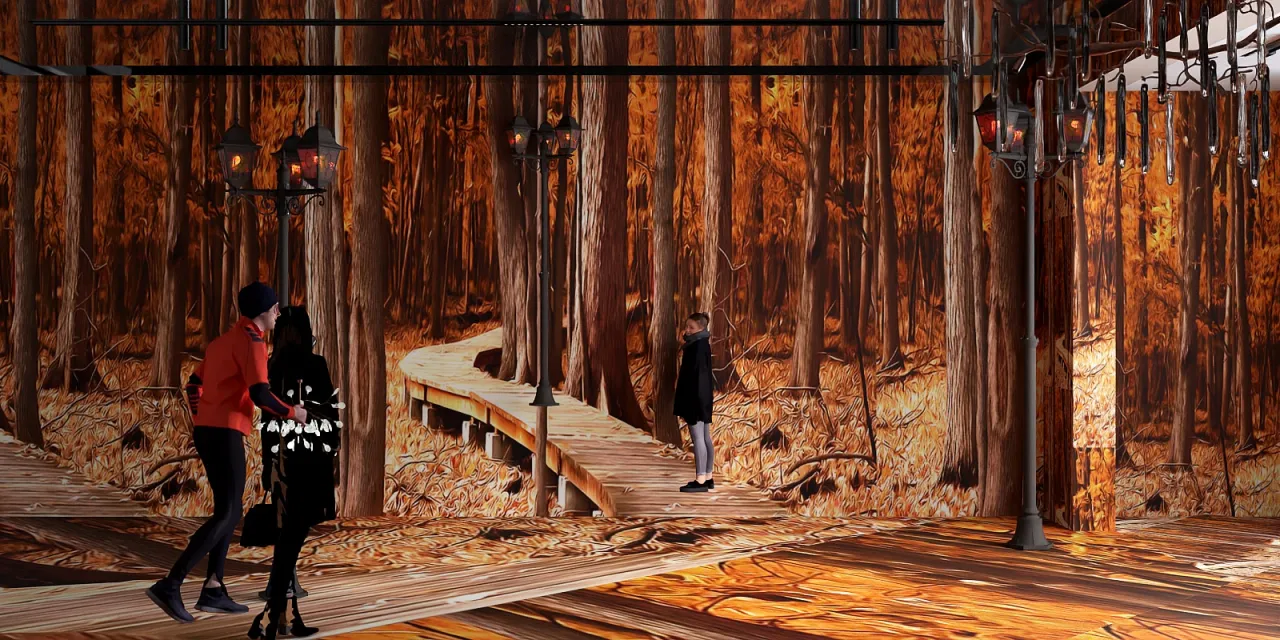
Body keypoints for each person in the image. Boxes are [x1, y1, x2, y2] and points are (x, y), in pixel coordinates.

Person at [146, 283, 307, 624]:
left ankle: (213, 589)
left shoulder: (221, 342)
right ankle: (171, 584)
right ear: (263, 311)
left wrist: (200, 417)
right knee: (228, 512)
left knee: (228, 511)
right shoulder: (253, 344)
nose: (278, 312)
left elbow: (193, 384)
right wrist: (295, 413)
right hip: (226, 433)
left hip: (208, 432)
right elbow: (261, 395)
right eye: (275, 307)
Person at [248, 306, 340, 640]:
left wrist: (266, 465)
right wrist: (332, 454)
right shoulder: (317, 365)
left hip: (282, 463)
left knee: (287, 541)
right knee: (291, 542)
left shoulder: (271, 366)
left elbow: (267, 424)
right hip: (311, 463)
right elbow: (330, 418)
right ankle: (275, 617)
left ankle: (281, 616)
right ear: (305, 331)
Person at [674, 312, 715, 493]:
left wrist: (693, 401)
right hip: (703, 397)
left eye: (691, 328)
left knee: (698, 438)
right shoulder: (702, 344)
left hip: (696, 398)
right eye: (687, 326)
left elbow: (696, 377)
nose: (687, 330)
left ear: (701, 329)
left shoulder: (696, 348)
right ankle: (708, 476)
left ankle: (700, 481)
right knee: (705, 437)